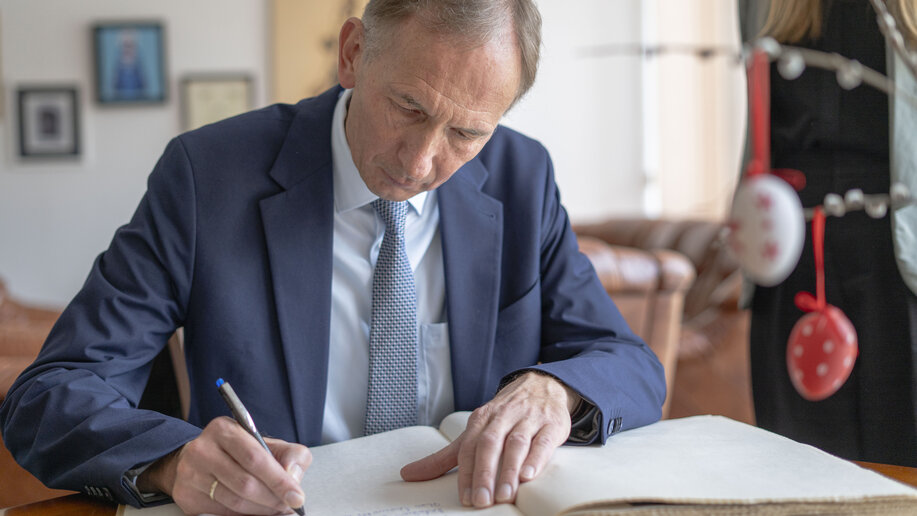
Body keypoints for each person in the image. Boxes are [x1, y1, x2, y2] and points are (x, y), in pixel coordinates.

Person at [0, 0, 666, 514]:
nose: (421, 161)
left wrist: (556, 389)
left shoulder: (522, 177)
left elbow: (629, 364)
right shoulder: (208, 178)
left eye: (465, 133)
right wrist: (174, 461)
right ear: (353, 54)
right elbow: (49, 397)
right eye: (407, 107)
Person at [741, 0, 917, 466]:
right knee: (797, 474)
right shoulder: (766, 6)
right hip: (790, 262)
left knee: (901, 475)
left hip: (900, 266)